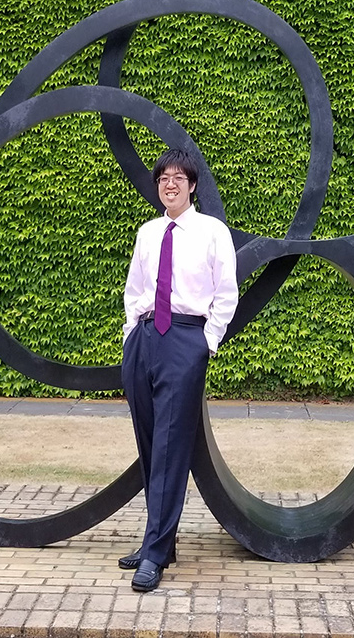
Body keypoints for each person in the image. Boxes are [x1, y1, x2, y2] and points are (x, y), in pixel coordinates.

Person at [119, 148, 238, 592]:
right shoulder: (148, 232)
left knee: (171, 446)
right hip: (145, 339)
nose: (170, 184)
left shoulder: (211, 231)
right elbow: (135, 287)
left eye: (178, 177)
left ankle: (155, 555)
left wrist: (204, 344)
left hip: (185, 338)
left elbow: (225, 292)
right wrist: (132, 333)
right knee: (150, 444)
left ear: (191, 185)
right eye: (163, 178)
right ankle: (160, 541)